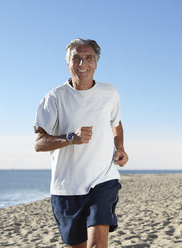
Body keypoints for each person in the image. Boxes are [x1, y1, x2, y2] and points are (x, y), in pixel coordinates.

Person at [34, 38, 128, 248]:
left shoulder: (110, 93)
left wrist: (120, 148)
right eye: (76, 58)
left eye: (88, 58)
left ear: (96, 63)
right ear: (68, 63)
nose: (82, 64)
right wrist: (69, 138)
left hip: (103, 180)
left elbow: (116, 124)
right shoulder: (53, 98)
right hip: (66, 189)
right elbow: (38, 142)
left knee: (97, 245)